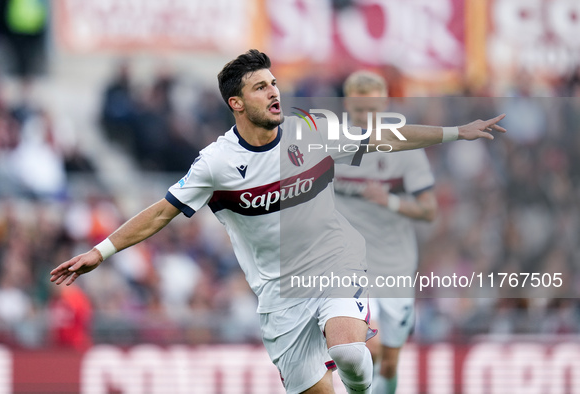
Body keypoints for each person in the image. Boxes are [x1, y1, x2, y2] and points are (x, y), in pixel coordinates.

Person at [51, 50, 506, 394]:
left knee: (349, 351)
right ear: (236, 102)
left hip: (334, 262)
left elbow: (383, 136)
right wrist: (100, 251)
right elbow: (162, 213)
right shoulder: (216, 164)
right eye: (260, 88)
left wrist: (455, 132)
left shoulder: (308, 129)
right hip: (278, 295)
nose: (273, 93)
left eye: (273, 84)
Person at [334, 70, 436, 393]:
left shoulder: (406, 149)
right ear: (348, 105)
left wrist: (390, 201)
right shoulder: (330, 147)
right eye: (361, 109)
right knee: (369, 348)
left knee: (389, 362)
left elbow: (429, 209)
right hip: (352, 266)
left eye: (374, 109)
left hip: (395, 266)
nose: (367, 117)